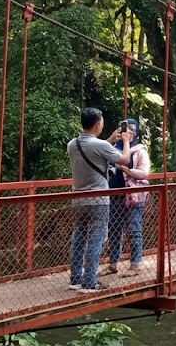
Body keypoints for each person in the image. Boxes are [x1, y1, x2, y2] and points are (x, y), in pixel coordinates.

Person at [67, 108, 131, 293]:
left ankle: (76, 278)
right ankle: (90, 282)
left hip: (77, 199)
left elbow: (93, 148)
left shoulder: (72, 144)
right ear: (97, 125)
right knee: (96, 240)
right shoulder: (100, 146)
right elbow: (125, 160)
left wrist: (110, 139)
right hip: (98, 200)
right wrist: (125, 141)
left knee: (78, 237)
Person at [101, 118, 149, 278]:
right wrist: (111, 138)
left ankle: (135, 265)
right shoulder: (114, 149)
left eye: (132, 130)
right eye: (126, 129)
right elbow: (100, 158)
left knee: (134, 229)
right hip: (115, 194)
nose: (129, 132)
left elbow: (144, 173)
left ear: (137, 134)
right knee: (114, 229)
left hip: (133, 196)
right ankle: (113, 264)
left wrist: (126, 170)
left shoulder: (140, 151)